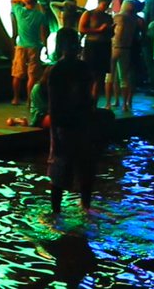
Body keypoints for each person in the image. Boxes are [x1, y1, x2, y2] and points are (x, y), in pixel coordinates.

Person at [45, 29, 96, 213]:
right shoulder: (83, 68)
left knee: (59, 171)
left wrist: (54, 136)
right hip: (81, 123)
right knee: (84, 168)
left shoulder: (57, 70)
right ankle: (85, 208)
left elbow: (54, 105)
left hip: (65, 126)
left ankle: (56, 213)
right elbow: (89, 97)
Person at [11, 0, 47, 105]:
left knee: (17, 74)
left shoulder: (20, 12)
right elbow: (43, 33)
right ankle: (29, 100)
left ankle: (15, 98)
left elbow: (12, 0)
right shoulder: (40, 15)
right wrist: (44, 45)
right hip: (34, 46)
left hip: (21, 46)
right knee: (33, 75)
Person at [78, 0, 113, 107]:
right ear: (99, 2)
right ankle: (87, 102)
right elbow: (81, 28)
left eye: (108, 5)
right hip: (92, 46)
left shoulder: (108, 17)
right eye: (104, 4)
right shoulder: (89, 14)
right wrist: (98, 30)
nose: (106, 7)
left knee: (100, 76)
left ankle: (94, 103)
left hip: (104, 46)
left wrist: (110, 30)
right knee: (90, 75)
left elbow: (111, 34)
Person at [109, 0, 139, 113]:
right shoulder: (134, 19)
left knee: (112, 76)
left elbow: (116, 31)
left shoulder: (119, 16)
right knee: (124, 77)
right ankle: (126, 104)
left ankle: (114, 100)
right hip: (127, 48)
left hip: (116, 47)